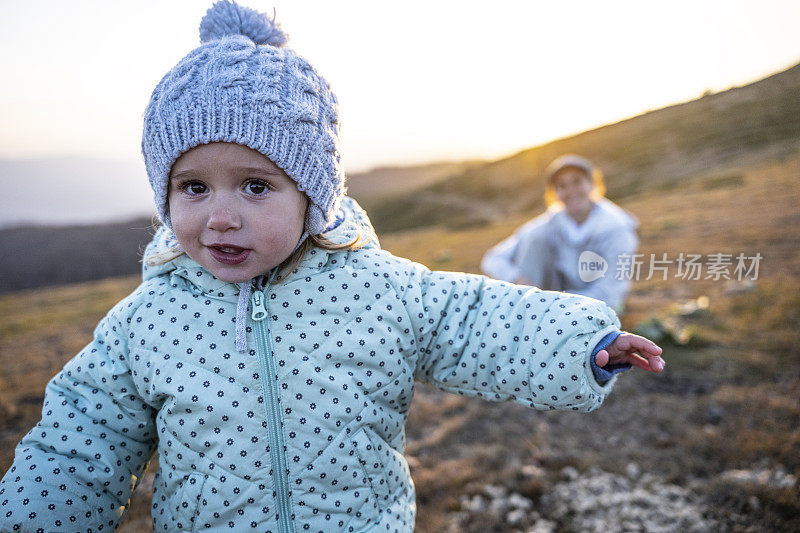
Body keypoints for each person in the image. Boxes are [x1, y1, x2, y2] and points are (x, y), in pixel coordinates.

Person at [0, 2, 665, 531]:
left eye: (255, 186)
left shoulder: (378, 288)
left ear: (313, 196)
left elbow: (472, 318)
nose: (219, 216)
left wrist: (586, 340)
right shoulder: (145, 322)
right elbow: (77, 446)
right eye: (192, 187)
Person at [481, 155, 640, 314]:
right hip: (552, 303)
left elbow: (610, 291)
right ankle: (526, 309)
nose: (571, 191)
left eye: (577, 182)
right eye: (562, 186)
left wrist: (556, 304)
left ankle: (534, 312)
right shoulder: (550, 222)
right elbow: (494, 258)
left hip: (600, 305)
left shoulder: (616, 227)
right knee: (534, 240)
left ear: (592, 184)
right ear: (555, 193)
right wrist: (517, 278)